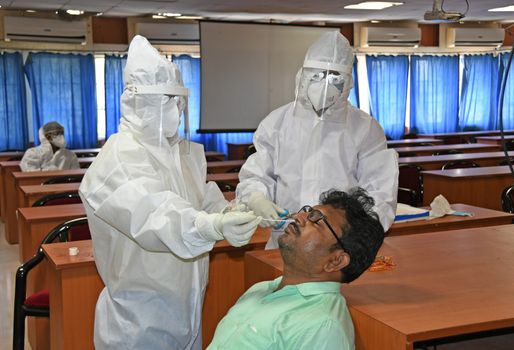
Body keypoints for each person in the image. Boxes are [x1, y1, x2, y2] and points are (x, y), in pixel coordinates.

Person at [78, 35, 261, 350]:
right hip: (138, 320)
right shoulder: (118, 158)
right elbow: (154, 216)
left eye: (179, 100)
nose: (177, 109)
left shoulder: (183, 153)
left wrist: (234, 211)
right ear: (139, 100)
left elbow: (201, 201)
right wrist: (211, 227)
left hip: (187, 305)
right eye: (167, 99)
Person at [236, 31, 398, 248]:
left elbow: (379, 194)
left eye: (335, 79)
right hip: (286, 239)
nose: (325, 85)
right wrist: (256, 199)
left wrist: (355, 237)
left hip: (340, 245)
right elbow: (256, 175)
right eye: (317, 76)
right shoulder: (277, 123)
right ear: (303, 76)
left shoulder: (365, 128)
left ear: (347, 83)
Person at [207, 188, 385, 350]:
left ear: (336, 261)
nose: (297, 216)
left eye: (316, 220)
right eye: (307, 212)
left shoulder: (322, 327)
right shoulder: (261, 289)